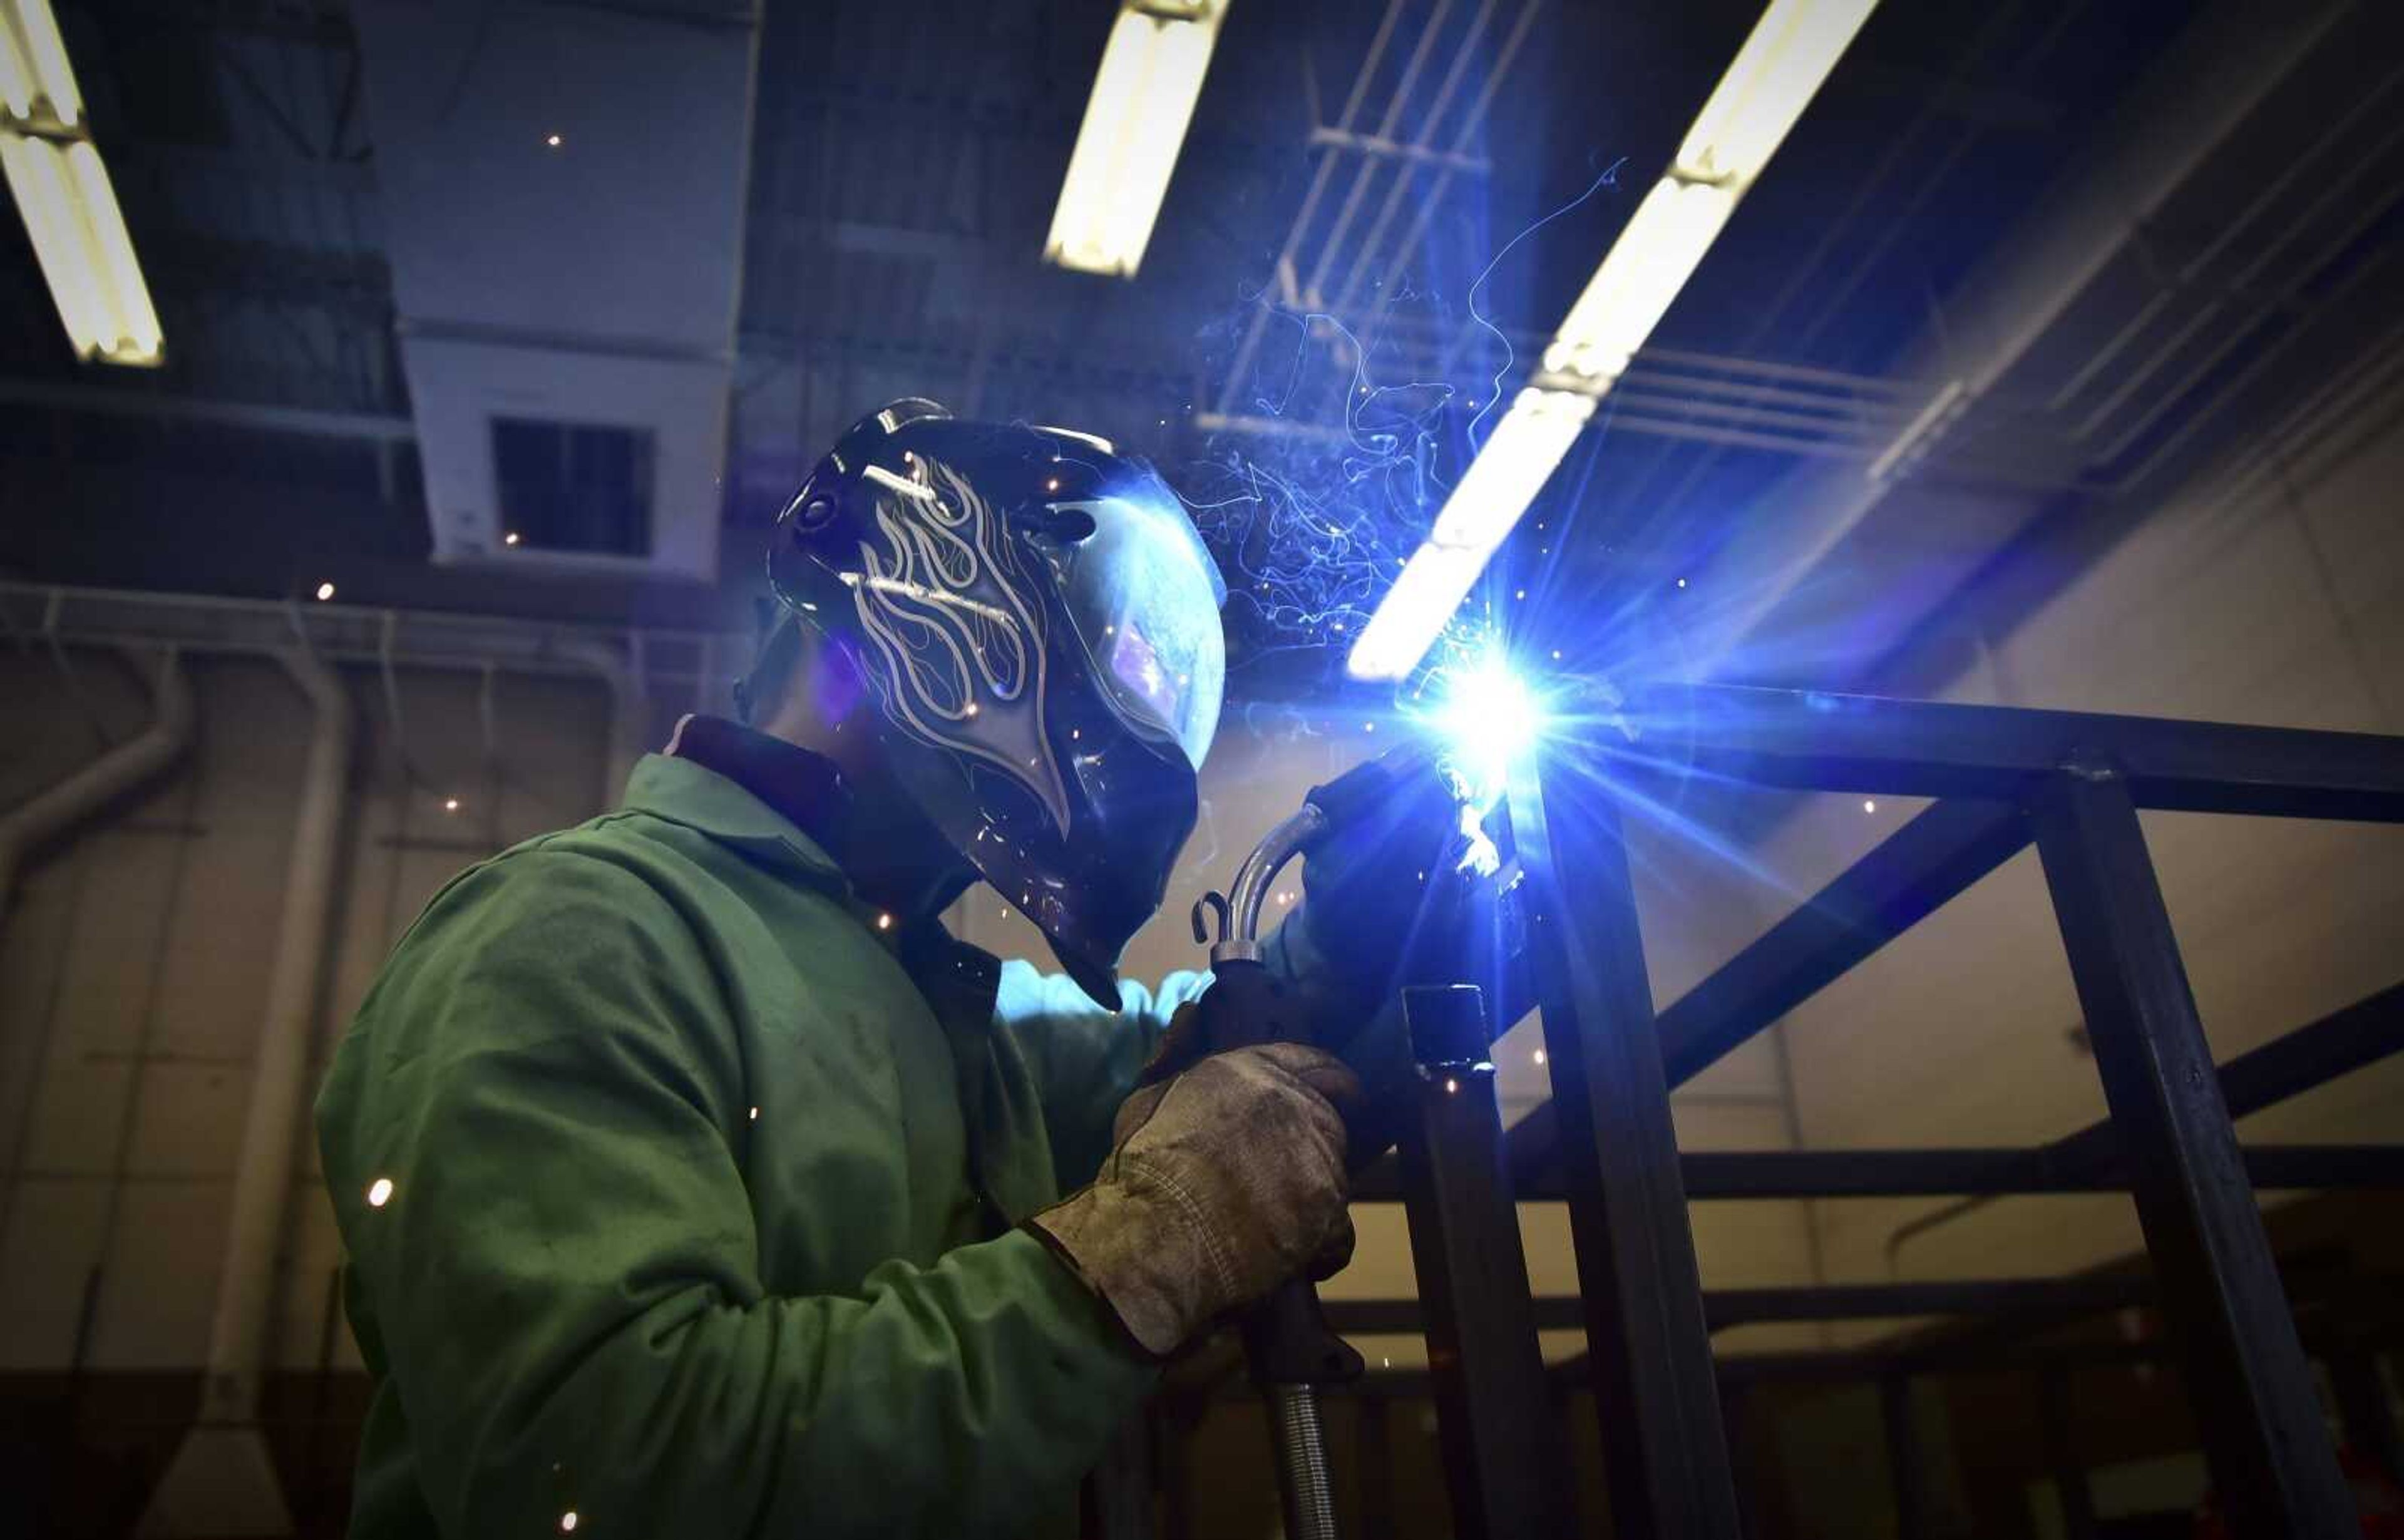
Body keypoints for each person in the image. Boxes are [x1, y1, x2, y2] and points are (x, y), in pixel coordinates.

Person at [313, 401, 1484, 1539]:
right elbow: (617, 1471)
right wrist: (1137, 1261)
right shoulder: (570, 936)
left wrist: (1357, 932)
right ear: (948, 610)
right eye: (1114, 651)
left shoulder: (946, 1005)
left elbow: (1225, 1079)